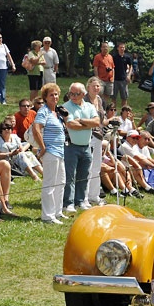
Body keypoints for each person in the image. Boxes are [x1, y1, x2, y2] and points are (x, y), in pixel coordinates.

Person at [31, 83, 66, 223]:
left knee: (61, 182)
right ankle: (47, 215)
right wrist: (43, 147)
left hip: (60, 152)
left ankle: (57, 211)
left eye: (56, 94)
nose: (55, 97)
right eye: (51, 94)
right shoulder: (43, 111)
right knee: (50, 184)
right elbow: (36, 128)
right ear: (45, 97)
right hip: (51, 151)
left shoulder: (56, 112)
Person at [62, 82, 100, 213]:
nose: (72, 96)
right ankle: (68, 202)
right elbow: (71, 124)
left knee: (84, 175)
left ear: (83, 94)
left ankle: (80, 200)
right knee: (70, 176)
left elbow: (97, 122)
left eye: (76, 94)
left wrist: (81, 120)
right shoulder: (65, 107)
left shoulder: (89, 106)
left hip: (86, 146)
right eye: (70, 93)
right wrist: (88, 123)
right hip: (71, 146)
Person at [0, 115, 40, 182]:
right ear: (1, 130)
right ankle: (33, 175)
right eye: (4, 128)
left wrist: (19, 150)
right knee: (20, 155)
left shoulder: (15, 137)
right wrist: (11, 153)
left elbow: (21, 148)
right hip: (3, 161)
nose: (6, 130)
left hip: (14, 160)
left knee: (29, 154)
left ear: (11, 130)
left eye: (9, 128)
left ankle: (42, 172)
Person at [112, 42, 133, 108]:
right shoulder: (114, 57)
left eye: (123, 47)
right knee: (113, 97)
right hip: (115, 79)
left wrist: (129, 75)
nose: (122, 49)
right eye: (121, 47)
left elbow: (130, 66)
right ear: (118, 48)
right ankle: (113, 112)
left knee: (124, 97)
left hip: (123, 79)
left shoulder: (127, 57)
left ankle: (124, 112)